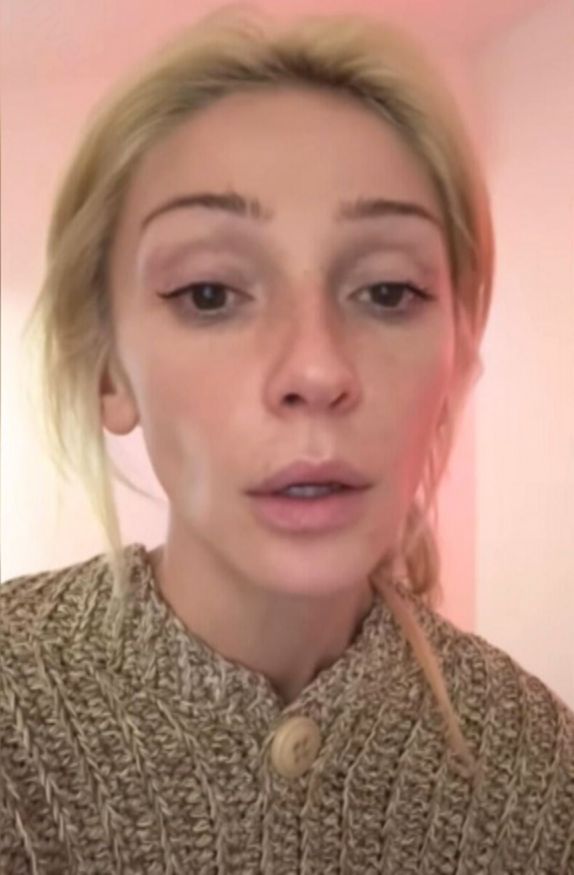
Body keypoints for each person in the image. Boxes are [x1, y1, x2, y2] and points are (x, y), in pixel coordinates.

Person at [1, 4, 572, 873]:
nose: (316, 369)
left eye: (387, 291)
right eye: (209, 294)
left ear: (456, 356)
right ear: (107, 370)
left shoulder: (539, 773)